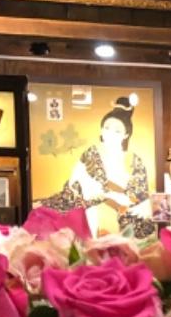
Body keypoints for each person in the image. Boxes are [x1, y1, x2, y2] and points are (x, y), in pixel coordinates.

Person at [38, 95, 155, 239]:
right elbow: (73, 185)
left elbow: (140, 195)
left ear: (126, 134)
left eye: (117, 131)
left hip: (121, 216)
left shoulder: (133, 160)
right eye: (107, 127)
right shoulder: (91, 153)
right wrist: (94, 191)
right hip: (90, 210)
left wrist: (123, 199)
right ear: (101, 129)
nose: (110, 133)